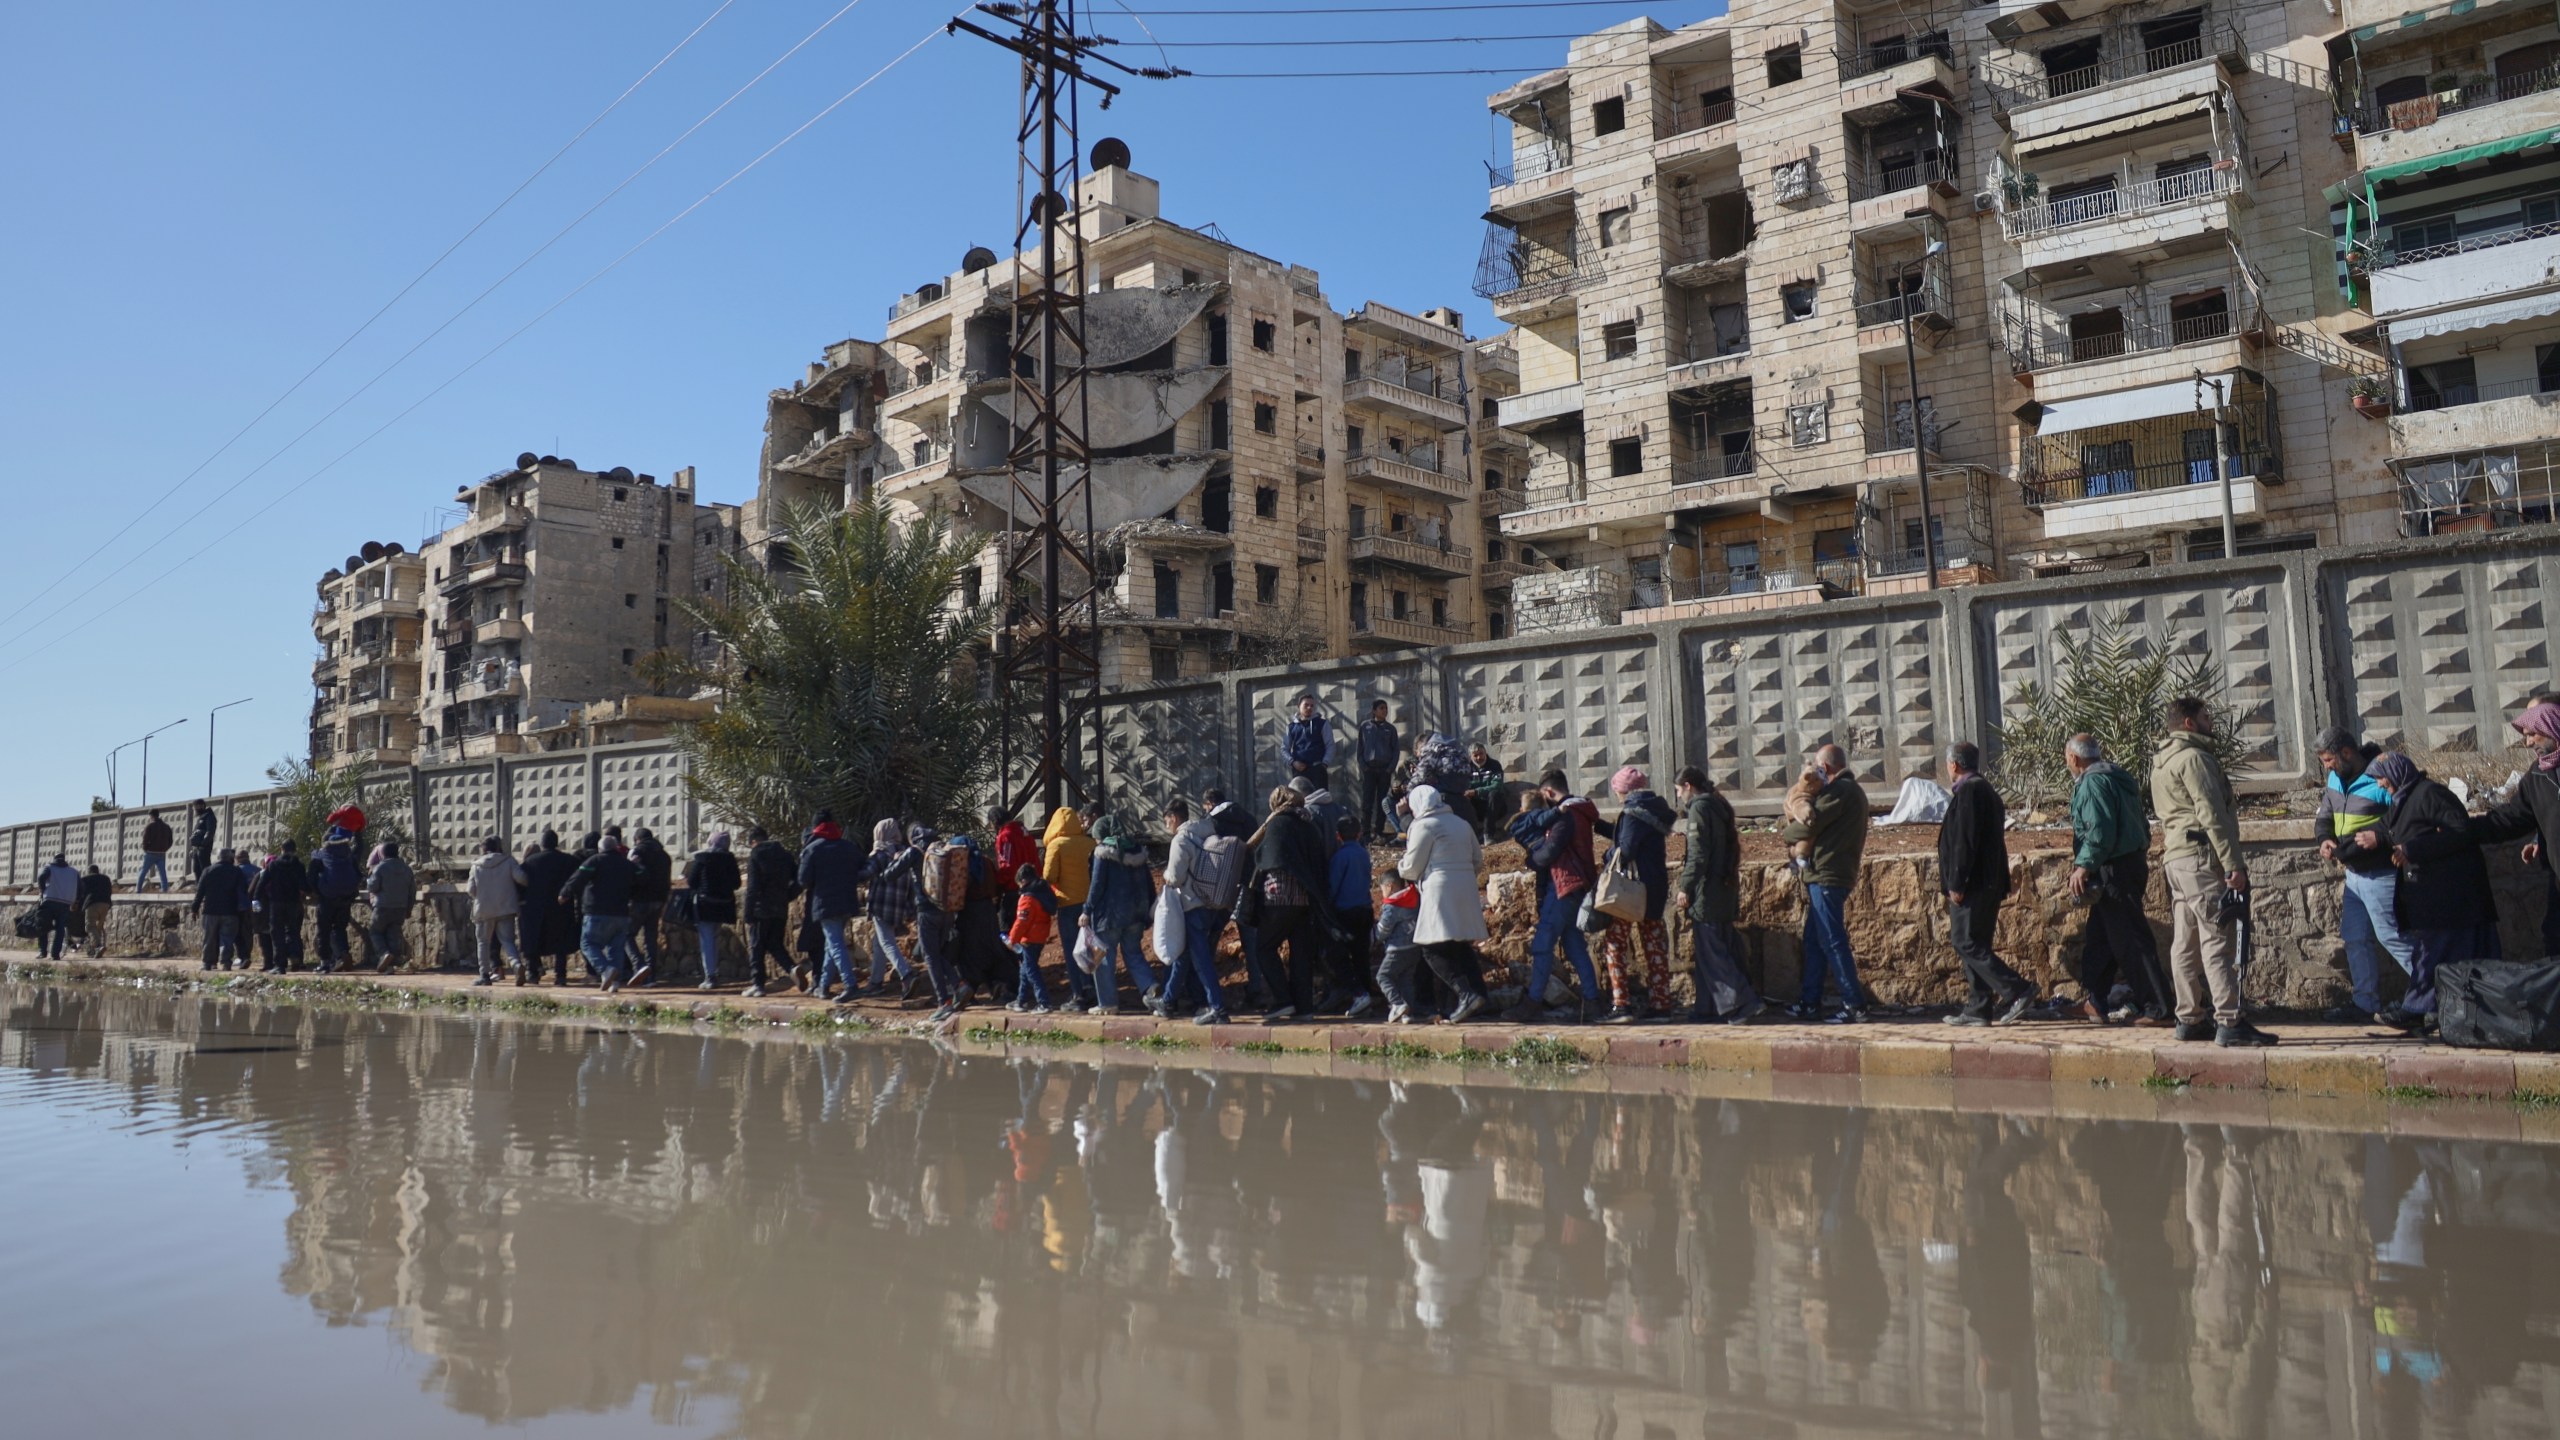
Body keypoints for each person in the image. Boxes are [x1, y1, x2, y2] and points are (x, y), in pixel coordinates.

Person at [2151, 696, 2272, 1047]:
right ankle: (2229, 1021)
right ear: (2189, 723)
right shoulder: (2194, 759)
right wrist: (2233, 864)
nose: (2210, 722)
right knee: (2216, 939)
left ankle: (2189, 1018)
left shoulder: (2161, 762)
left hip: (2176, 858)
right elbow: (2212, 815)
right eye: (2205, 716)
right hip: (2201, 858)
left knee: (2184, 943)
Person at [2362, 752, 2499, 1034]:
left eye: (2381, 777)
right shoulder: (2404, 799)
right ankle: (2434, 1010)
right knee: (2439, 956)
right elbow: (2390, 828)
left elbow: (2461, 831)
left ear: (2397, 772)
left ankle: (2420, 1008)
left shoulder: (2431, 794)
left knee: (2438, 953)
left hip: (2453, 894)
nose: (2380, 785)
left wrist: (2412, 849)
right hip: (2435, 897)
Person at [2065, 734, 2170, 1025]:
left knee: (2132, 940)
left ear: (2074, 758)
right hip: (2130, 864)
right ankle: (2096, 1002)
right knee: (2102, 938)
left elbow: (2099, 831)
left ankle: (2159, 1007)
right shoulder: (2118, 777)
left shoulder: (2092, 783)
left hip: (2112, 870)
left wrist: (2083, 866)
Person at [2312, 728, 2412, 1024]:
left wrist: (2380, 838)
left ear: (2346, 753)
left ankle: (2434, 996)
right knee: (2355, 938)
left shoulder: (2379, 775)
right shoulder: (2333, 779)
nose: (2326, 767)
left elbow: (2403, 815)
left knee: (2393, 937)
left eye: (2329, 759)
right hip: (2353, 875)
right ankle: (2365, 1002)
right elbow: (2325, 814)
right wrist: (2324, 838)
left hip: (2381, 872)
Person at [1939, 742, 2035, 1027]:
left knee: (1964, 940)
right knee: (1976, 943)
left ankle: (2017, 989)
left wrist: (1957, 882)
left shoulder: (1970, 791)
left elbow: (1965, 842)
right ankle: (1978, 1007)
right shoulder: (1985, 790)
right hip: (1988, 881)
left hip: (1974, 884)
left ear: (1954, 765)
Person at [1782, 744, 1871, 1024]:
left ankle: (1854, 1005)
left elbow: (1806, 824)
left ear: (1827, 768)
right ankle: (1809, 1002)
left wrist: (1787, 832)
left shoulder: (1841, 791)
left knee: (1832, 940)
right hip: (1825, 875)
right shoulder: (1846, 791)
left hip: (1828, 876)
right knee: (1814, 941)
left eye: (1820, 769)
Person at [1507, 769, 1601, 1023]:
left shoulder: (1564, 815)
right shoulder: (1581, 811)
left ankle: (1533, 1002)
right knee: (1574, 945)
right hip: (1578, 884)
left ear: (1548, 792)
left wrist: (1530, 859)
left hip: (1563, 885)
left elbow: (1549, 854)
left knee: (1542, 944)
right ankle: (1592, 1000)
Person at [1673, 766, 1761, 1024]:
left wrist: (1685, 886)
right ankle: (1708, 1008)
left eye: (1678, 790)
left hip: (1707, 892)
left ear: (1688, 786)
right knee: (1716, 949)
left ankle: (1742, 1003)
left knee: (1712, 952)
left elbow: (1698, 855)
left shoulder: (1699, 809)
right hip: (1724, 888)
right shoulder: (1718, 806)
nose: (1678, 796)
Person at [2473, 700, 2560, 960]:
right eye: (2526, 736)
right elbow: (2513, 818)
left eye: (2533, 734)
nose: (2529, 742)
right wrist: (2463, 829)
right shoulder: (2538, 776)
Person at [1396, 784, 1489, 1023]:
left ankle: (1466, 994)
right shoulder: (1461, 823)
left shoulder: (1423, 826)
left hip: (1439, 889)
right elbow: (1478, 860)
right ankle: (1481, 997)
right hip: (1466, 886)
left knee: (1431, 948)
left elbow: (1411, 867)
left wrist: (1401, 866)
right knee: (1459, 945)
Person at [1592, 766, 1678, 1024]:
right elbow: (1629, 836)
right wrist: (1599, 826)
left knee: (1615, 943)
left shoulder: (1631, 813)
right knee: (1654, 945)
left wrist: (1606, 856)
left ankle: (1621, 1005)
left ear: (1623, 789)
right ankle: (1661, 1005)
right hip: (1655, 888)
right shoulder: (1651, 810)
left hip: (1632, 891)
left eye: (1616, 788)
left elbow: (1626, 848)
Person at [1247, 786, 1336, 1023]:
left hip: (1279, 897)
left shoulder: (1277, 824)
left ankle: (1283, 1001)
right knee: (1301, 953)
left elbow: (1268, 859)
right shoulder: (1309, 824)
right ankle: (1304, 1006)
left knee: (1264, 948)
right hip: (1306, 899)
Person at [1162, 800, 1234, 1024]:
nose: (1166, 825)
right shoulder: (1207, 832)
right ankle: (1167, 1000)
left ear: (1173, 817)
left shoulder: (1181, 839)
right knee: (1186, 955)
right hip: (1213, 903)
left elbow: (1175, 878)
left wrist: (1165, 875)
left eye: (1166, 821)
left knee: (1201, 960)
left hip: (1193, 905)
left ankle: (1217, 1008)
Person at [1081, 814, 1156, 1014]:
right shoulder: (1138, 850)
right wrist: (1149, 910)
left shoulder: (1102, 852)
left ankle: (1107, 1004)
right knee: (1134, 953)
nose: (1095, 840)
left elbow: (1097, 886)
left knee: (1104, 958)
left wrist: (1087, 910)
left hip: (1110, 916)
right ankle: (1151, 990)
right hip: (1137, 915)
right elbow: (1148, 884)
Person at [797, 812, 865, 1002]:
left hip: (825, 904)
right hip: (848, 902)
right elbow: (863, 868)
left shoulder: (812, 849)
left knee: (835, 945)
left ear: (815, 828)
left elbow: (803, 880)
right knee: (830, 945)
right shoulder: (849, 847)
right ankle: (824, 986)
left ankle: (850, 985)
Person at [562, 834, 642, 991]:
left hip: (597, 912)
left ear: (600, 849)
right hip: (621, 913)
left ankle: (605, 970)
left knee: (587, 944)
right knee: (616, 948)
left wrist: (564, 893)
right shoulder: (626, 864)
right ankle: (615, 983)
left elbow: (578, 877)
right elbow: (642, 877)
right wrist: (634, 867)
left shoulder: (595, 861)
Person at [1039, 807, 1095, 1008]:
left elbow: (1049, 877)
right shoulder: (1090, 842)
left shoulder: (1056, 846)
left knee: (1073, 950)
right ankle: (1092, 989)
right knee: (1089, 948)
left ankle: (1078, 995)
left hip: (1067, 904)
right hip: (1089, 903)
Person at [863, 818, 924, 1001]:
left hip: (881, 905)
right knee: (879, 943)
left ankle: (906, 975)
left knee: (887, 942)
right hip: (897, 908)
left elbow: (866, 874)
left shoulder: (879, 854)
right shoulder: (904, 853)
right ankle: (876, 982)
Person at [1325, 814, 1377, 1017]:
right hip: (1365, 909)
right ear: (1360, 833)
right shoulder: (1363, 854)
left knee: (1337, 956)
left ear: (1337, 836)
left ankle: (1358, 994)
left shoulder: (1339, 857)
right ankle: (1366, 996)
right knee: (1361, 955)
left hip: (1345, 912)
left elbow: (1333, 886)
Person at [740, 826, 796, 997]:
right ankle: (792, 969)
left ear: (754, 842)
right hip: (780, 907)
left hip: (760, 908)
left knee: (756, 946)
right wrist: (787, 896)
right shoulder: (785, 855)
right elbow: (799, 879)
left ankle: (758, 984)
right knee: (774, 943)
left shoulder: (756, 855)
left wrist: (748, 913)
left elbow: (752, 888)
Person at [519, 831, 580, 986]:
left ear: (542, 843)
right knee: (561, 943)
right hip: (561, 908)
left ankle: (533, 974)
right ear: (557, 842)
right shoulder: (569, 861)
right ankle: (560, 976)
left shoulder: (529, 863)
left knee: (532, 941)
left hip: (534, 909)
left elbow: (520, 885)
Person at [465, 836, 528, 986]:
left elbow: (470, 890)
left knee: (483, 942)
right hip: (506, 908)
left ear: (483, 849)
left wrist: (481, 896)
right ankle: (516, 964)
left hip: (484, 911)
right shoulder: (509, 861)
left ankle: (485, 975)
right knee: (507, 941)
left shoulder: (476, 866)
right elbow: (522, 879)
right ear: (499, 846)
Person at [684, 832, 740, 992]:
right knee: (713, 938)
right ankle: (712, 972)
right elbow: (736, 883)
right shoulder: (730, 859)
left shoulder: (701, 858)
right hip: (723, 905)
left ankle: (710, 977)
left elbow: (691, 881)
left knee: (706, 940)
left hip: (705, 905)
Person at [306, 828, 363, 974]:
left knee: (323, 930)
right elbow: (358, 875)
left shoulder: (320, 855)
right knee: (339, 928)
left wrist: (318, 892)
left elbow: (311, 877)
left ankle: (325, 962)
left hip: (327, 898)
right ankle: (343, 953)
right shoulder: (349, 855)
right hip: (345, 899)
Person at [1007, 864, 1061, 1013]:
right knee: (1025, 970)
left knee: (1031, 971)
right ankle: (1021, 1000)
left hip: (1029, 939)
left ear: (1023, 880)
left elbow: (1022, 922)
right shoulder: (1043, 892)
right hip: (1040, 936)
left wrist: (1012, 939)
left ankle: (1044, 1002)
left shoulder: (1028, 898)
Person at [251, 840, 308, 974]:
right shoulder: (298, 865)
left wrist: (256, 899)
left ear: (281, 849)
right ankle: (294, 955)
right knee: (293, 930)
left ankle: (280, 965)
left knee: (277, 933)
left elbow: (262, 882)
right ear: (294, 850)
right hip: (293, 902)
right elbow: (304, 884)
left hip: (276, 903)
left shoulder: (274, 864)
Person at [1373, 883, 1427, 1023]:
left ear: (1390, 886)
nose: (1382, 892)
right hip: (1415, 947)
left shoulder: (1392, 905)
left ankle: (1397, 1004)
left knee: (1383, 976)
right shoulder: (1415, 899)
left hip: (1396, 950)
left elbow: (1383, 930)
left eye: (1382, 888)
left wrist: (1374, 935)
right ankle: (1408, 1014)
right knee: (1406, 981)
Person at [627, 828, 674, 988]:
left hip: (639, 899)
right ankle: (651, 976)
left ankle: (640, 966)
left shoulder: (637, 852)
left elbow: (629, 872)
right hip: (658, 900)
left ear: (637, 839)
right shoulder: (664, 855)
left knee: (627, 934)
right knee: (650, 938)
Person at [189, 847, 247, 971]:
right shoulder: (236, 872)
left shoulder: (208, 871)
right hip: (230, 911)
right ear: (231, 858)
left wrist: (194, 908)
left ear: (219, 857)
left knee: (209, 938)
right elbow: (242, 891)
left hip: (211, 911)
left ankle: (207, 963)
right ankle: (226, 963)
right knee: (227, 939)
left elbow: (200, 892)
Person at [365, 838, 414, 974]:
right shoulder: (406, 869)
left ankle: (384, 954)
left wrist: (368, 879)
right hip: (400, 907)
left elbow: (373, 887)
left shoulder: (380, 867)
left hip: (382, 906)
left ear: (383, 854)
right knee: (393, 933)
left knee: (375, 931)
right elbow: (412, 891)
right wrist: (409, 908)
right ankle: (391, 964)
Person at [1358, 700, 1400, 840]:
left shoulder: (1390, 729)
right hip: (1369, 769)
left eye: (1386, 708)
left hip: (1384, 770)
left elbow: (1395, 751)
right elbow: (1360, 749)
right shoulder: (1365, 727)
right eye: (1381, 708)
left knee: (1382, 801)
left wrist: (1389, 769)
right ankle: (1365, 832)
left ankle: (1379, 830)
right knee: (1367, 802)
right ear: (1374, 711)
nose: (1385, 711)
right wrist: (1363, 766)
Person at [1284, 693, 1335, 789]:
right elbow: (1284, 748)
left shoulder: (1322, 724)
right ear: (1299, 706)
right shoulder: (1291, 727)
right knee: (1300, 800)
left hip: (1318, 770)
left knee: (1320, 799)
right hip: (1299, 771)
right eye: (1306, 705)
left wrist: (1324, 764)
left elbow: (1330, 745)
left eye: (1312, 705)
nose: (1309, 708)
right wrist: (1293, 762)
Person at [33, 853, 77, 959]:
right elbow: (80, 887)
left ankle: (43, 952)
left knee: (42, 926)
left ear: (55, 859)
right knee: (60, 928)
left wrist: (42, 890)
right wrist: (76, 900)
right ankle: (55, 954)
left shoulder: (49, 868)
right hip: (65, 902)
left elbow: (41, 878)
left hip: (49, 900)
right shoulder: (73, 872)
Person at [78, 865, 113, 959]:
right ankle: (93, 950)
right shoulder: (106, 878)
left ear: (89, 871)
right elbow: (110, 891)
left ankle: (98, 946)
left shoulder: (85, 879)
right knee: (98, 927)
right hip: (106, 904)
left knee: (90, 926)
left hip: (92, 903)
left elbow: (80, 893)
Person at [138, 810, 174, 893]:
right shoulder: (166, 826)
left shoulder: (150, 826)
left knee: (143, 871)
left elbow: (145, 840)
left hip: (150, 852)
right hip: (161, 853)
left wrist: (145, 849)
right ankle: (164, 890)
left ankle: (138, 890)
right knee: (162, 872)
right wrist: (165, 849)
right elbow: (170, 841)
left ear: (151, 816)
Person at [185, 800, 216, 883]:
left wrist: (203, 844)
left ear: (200, 806)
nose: (194, 810)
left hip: (204, 848)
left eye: (195, 807)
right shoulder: (202, 817)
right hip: (197, 848)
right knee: (196, 869)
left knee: (204, 869)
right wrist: (194, 848)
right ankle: (199, 888)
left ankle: (208, 888)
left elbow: (210, 832)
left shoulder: (209, 816)